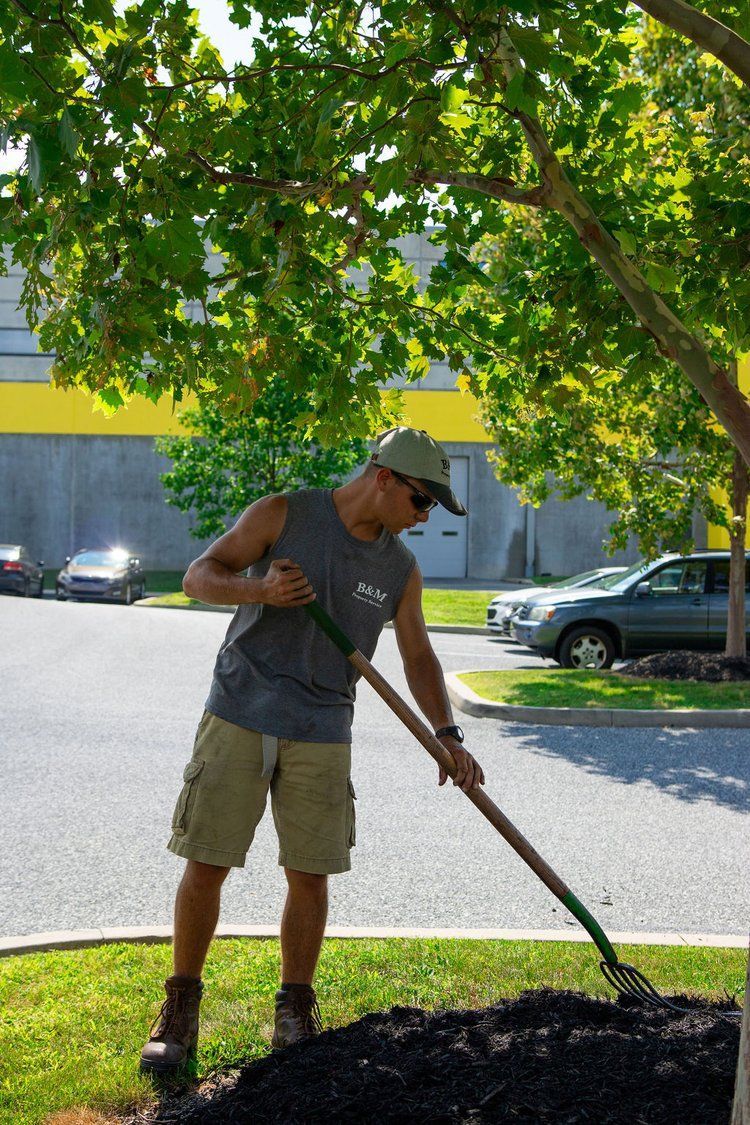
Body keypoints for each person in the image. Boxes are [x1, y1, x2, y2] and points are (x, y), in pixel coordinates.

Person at [140, 425, 486, 1073]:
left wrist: (446, 733)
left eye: (431, 508)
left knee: (310, 871)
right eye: (421, 501)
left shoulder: (397, 569)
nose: (423, 517)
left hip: (324, 725)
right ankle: (180, 1007)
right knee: (207, 862)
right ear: (385, 477)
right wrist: (258, 590)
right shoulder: (283, 513)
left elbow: (417, 654)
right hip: (240, 709)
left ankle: (295, 1008)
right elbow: (198, 575)